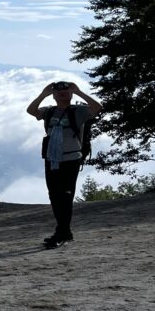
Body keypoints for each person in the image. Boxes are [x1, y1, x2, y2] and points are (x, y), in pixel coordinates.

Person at [25, 81, 103, 249]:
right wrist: (43, 94)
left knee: (65, 197)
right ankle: (64, 232)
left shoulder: (78, 111)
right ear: (53, 95)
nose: (62, 93)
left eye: (66, 91)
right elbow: (31, 111)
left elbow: (97, 107)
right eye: (58, 91)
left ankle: (62, 233)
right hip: (52, 158)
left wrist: (79, 92)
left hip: (71, 159)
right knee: (54, 196)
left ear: (71, 94)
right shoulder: (49, 111)